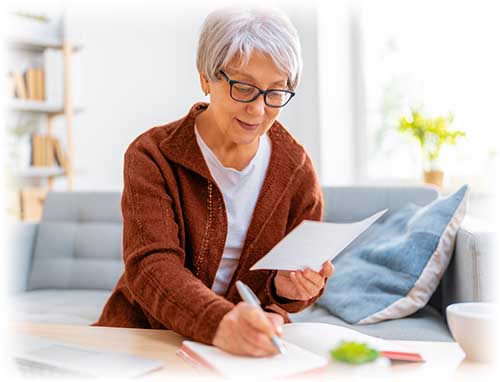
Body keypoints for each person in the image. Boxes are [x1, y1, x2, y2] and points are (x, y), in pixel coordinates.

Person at [94, 7, 334, 357]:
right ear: (206, 77)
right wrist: (220, 322)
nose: (258, 109)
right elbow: (151, 267)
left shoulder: (296, 169)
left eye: (275, 92)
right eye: (243, 87)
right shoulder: (152, 155)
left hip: (245, 344)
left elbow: (287, 287)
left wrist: (289, 288)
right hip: (150, 334)